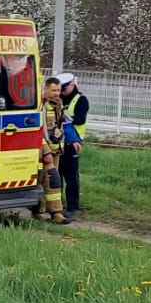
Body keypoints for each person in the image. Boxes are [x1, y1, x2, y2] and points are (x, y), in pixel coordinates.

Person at [55, 72, 89, 214]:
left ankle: (72, 207)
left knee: (71, 177)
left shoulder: (80, 100)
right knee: (58, 175)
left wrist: (66, 118)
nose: (62, 91)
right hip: (58, 142)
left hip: (72, 143)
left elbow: (80, 119)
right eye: (60, 89)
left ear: (73, 85)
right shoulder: (59, 99)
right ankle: (58, 205)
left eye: (64, 88)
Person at [36, 77, 67, 223]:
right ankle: (55, 213)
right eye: (54, 90)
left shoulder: (58, 104)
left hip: (56, 150)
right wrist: (45, 150)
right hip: (44, 151)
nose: (57, 93)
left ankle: (42, 211)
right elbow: (38, 131)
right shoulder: (41, 105)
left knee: (48, 181)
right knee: (50, 180)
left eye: (59, 90)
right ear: (46, 89)